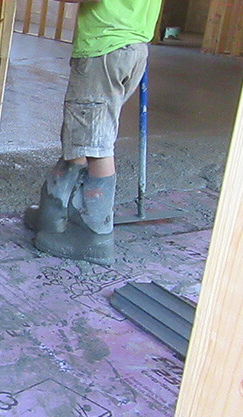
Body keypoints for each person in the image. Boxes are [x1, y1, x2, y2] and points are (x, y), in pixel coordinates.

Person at [25, 0, 161, 265]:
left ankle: (94, 236)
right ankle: (53, 212)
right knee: (82, 134)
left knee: (95, 144)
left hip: (104, 47)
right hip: (132, 48)